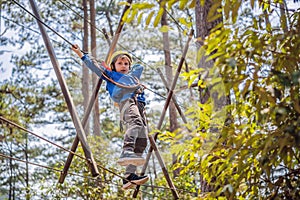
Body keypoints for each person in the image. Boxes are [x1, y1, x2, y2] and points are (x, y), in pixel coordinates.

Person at [72, 44, 149, 190]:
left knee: (143, 139)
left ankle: (129, 176)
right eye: (120, 63)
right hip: (126, 101)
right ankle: (126, 150)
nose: (123, 65)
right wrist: (81, 54)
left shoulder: (132, 77)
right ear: (113, 66)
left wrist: (132, 73)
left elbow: (139, 67)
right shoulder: (112, 75)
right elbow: (95, 67)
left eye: (126, 63)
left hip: (139, 105)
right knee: (135, 124)